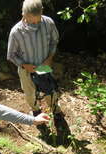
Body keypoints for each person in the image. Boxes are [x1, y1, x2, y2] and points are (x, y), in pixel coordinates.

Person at [7, 0, 69, 141]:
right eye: (31, 21)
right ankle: (36, 111)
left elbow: (54, 41)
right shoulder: (16, 32)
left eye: (37, 21)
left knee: (50, 91)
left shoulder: (48, 23)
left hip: (44, 65)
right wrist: (24, 65)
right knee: (30, 94)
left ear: (42, 12)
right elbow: (11, 55)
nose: (35, 24)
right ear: (24, 14)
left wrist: (50, 57)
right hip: (26, 69)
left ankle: (56, 112)